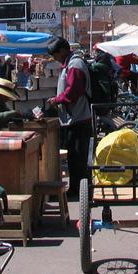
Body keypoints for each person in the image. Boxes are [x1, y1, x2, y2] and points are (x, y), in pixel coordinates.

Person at [44, 37, 91, 199]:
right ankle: (77, 189)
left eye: (55, 54)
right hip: (74, 118)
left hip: (79, 119)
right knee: (74, 157)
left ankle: (79, 191)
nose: (55, 58)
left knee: (78, 158)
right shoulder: (70, 64)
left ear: (63, 50)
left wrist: (57, 100)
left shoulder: (75, 65)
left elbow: (73, 92)